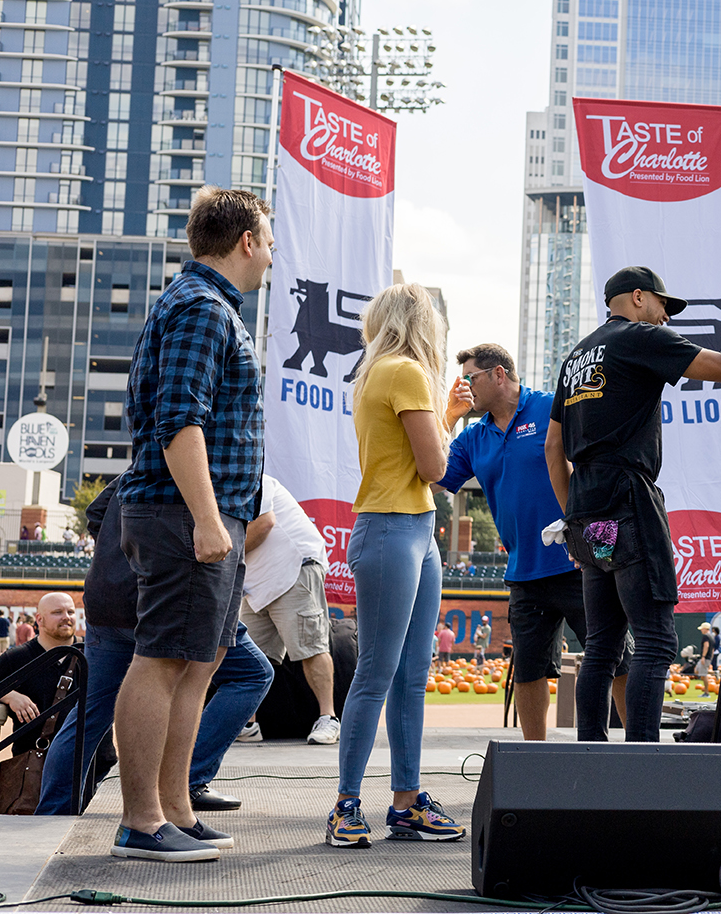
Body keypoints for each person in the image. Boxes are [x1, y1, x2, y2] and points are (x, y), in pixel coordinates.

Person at [110, 185, 272, 862]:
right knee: (164, 660)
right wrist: (208, 519)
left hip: (203, 515)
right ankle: (142, 821)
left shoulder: (204, 307)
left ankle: (173, 809)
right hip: (183, 516)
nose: (269, 255)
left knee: (195, 665)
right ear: (246, 242)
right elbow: (181, 417)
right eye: (267, 241)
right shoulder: (202, 308)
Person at [545, 257, 721, 742]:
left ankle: (591, 763)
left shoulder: (576, 356)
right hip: (627, 499)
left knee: (600, 645)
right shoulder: (637, 337)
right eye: (664, 306)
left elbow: (553, 448)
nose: (667, 318)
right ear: (639, 297)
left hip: (586, 510)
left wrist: (572, 517)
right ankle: (642, 766)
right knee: (657, 639)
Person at [36, 479, 273, 817]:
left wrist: (119, 551)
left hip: (109, 599)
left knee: (90, 713)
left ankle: (51, 814)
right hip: (166, 600)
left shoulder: (136, 471)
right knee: (252, 673)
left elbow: (95, 514)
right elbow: (246, 528)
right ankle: (186, 781)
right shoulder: (201, 473)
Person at [328, 282, 464, 849]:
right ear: (421, 322)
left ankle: (402, 803)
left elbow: (418, 465)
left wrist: (448, 413)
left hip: (407, 527)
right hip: (394, 528)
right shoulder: (405, 372)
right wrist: (447, 418)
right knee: (384, 675)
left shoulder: (380, 371)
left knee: (405, 676)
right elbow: (435, 466)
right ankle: (347, 805)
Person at [437, 344, 630, 740]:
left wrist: (598, 542)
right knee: (528, 668)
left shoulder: (551, 408)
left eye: (470, 378)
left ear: (498, 375)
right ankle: (534, 759)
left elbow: (596, 464)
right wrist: (447, 419)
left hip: (579, 563)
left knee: (620, 659)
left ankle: (646, 750)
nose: (464, 386)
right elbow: (436, 479)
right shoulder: (474, 437)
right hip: (523, 573)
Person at [238, 473, 340, 745]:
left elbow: (264, 524)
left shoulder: (249, 478)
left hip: (293, 568)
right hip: (255, 584)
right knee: (247, 658)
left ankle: (328, 718)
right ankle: (247, 725)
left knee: (310, 648)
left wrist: (219, 556)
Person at [0, 593, 79, 733]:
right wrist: (10, 696)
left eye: (70, 612)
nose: (66, 617)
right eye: (57, 612)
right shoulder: (18, 656)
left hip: (91, 754)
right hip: (38, 752)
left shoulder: (93, 653)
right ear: (39, 619)